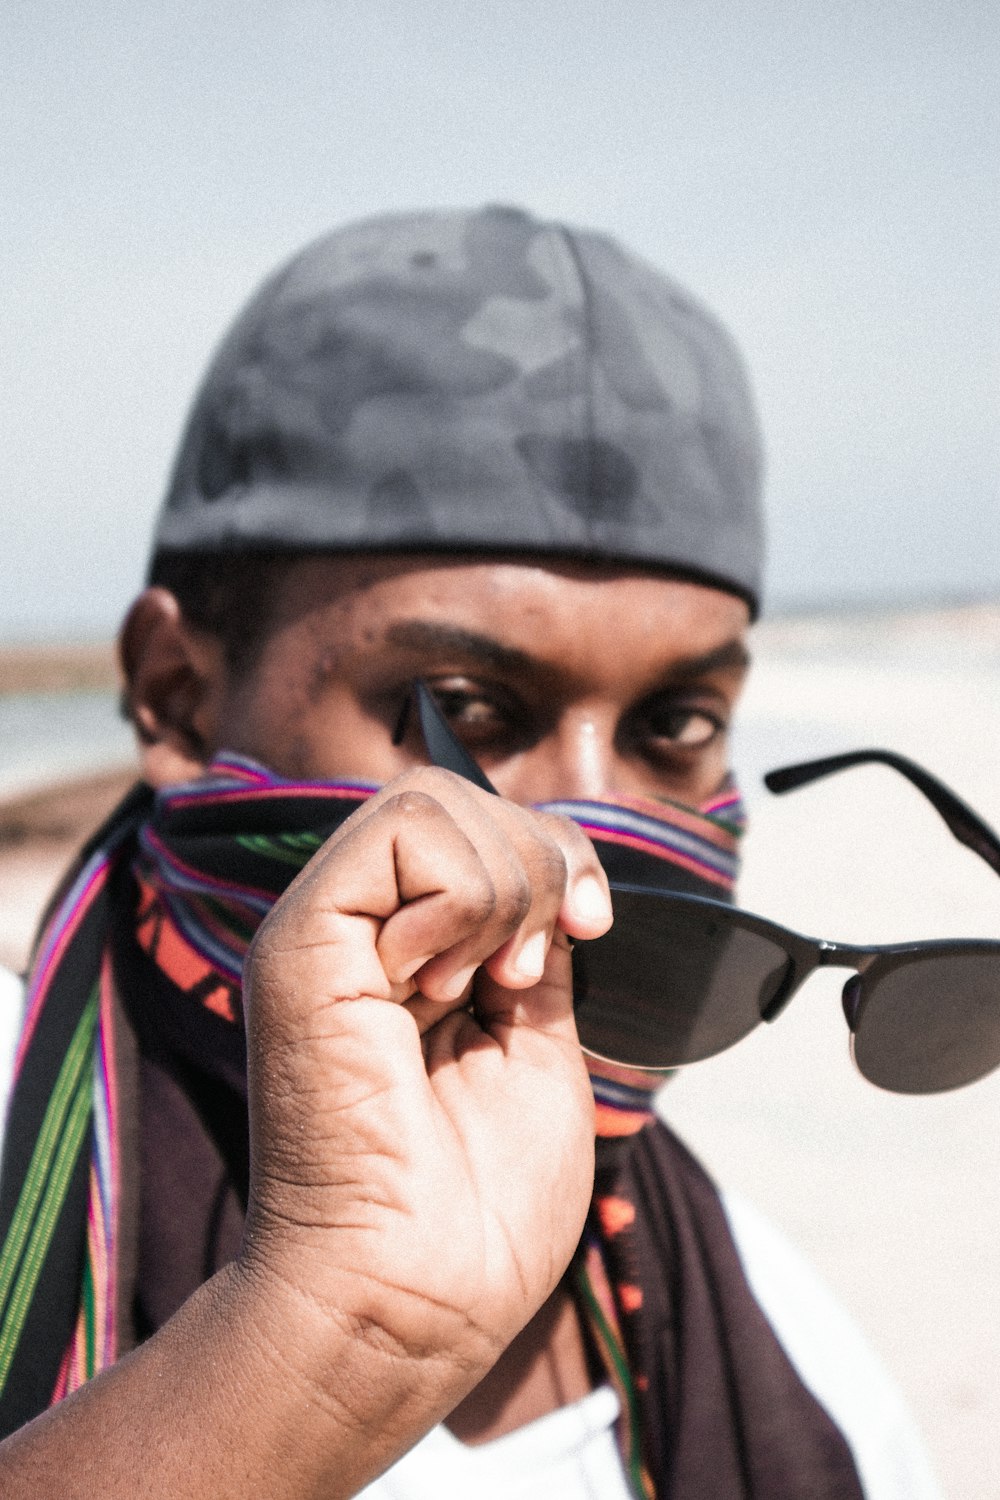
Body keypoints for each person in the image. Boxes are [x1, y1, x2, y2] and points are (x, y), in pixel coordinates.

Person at [0, 205, 940, 1497]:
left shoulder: (792, 1342)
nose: (582, 845)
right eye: (471, 710)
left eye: (676, 724)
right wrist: (326, 1354)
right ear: (174, 695)